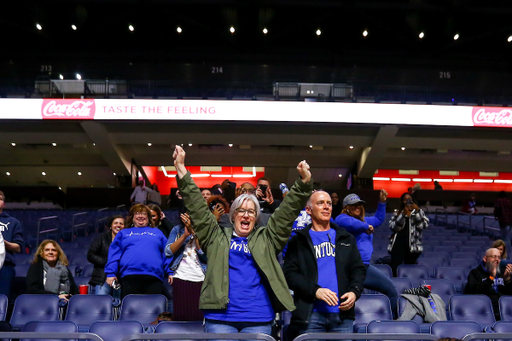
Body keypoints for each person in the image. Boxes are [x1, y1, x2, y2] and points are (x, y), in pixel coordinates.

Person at [173, 145, 312, 336]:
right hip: (219, 317)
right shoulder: (216, 236)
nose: (246, 215)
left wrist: (303, 184)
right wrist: (181, 169)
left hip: (259, 317)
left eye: (251, 212)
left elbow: (286, 213)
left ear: (256, 217)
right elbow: (197, 207)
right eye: (241, 211)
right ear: (233, 215)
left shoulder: (267, 238)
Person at [283, 190, 366, 336]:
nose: (326, 206)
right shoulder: (298, 241)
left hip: (342, 316)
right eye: (320, 203)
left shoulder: (346, 238)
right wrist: (315, 290)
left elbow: (358, 269)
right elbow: (290, 275)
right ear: (308, 210)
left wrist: (354, 291)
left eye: (328, 203)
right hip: (310, 316)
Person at [335, 191, 399, 317]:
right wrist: (366, 226)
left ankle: (395, 322)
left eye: (359, 205)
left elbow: (378, 219)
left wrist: (381, 202)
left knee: (391, 290)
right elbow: (350, 223)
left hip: (364, 266)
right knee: (344, 297)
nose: (357, 207)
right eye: (353, 205)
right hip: (350, 267)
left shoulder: (365, 221)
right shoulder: (341, 219)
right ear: (346, 208)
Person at [105, 203, 171, 298]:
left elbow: (167, 253)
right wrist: (111, 273)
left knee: (153, 309)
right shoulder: (123, 233)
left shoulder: (157, 233)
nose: (140, 216)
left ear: (148, 218)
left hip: (154, 277)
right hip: (129, 277)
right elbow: (114, 254)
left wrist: (170, 272)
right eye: (137, 213)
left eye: (144, 213)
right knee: (130, 309)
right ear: (132, 217)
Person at [165, 212, 207, 321]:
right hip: (181, 276)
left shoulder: (205, 230)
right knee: (181, 315)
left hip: (201, 277)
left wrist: (195, 233)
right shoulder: (177, 230)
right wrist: (185, 235)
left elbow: (204, 255)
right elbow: (168, 251)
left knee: (199, 316)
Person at [464, 248, 512, 320]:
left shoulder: (503, 272)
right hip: (483, 310)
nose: (497, 259)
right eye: (494, 256)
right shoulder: (475, 273)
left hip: (504, 310)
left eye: (499, 257)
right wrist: (491, 278)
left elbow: (509, 294)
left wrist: (507, 279)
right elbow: (472, 293)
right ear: (485, 259)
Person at [387, 193, 429, 277]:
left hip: (413, 246)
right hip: (398, 245)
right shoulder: (397, 212)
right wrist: (403, 214)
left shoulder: (419, 212)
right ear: (402, 201)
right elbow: (393, 227)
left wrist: (416, 212)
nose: (407, 201)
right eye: (405, 199)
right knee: (395, 268)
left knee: (410, 270)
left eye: (409, 199)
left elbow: (422, 226)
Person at [87, 215, 125, 296]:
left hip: (121, 278)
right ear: (111, 226)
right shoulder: (102, 238)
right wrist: (109, 263)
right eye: (115, 223)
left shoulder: (127, 240)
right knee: (101, 304)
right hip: (102, 278)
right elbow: (90, 255)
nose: (118, 225)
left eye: (121, 223)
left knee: (118, 304)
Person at [0, 190, 23, 300]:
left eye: (0, 199)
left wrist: (3, 242)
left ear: (3, 203)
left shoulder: (12, 222)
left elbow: (18, 247)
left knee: (3, 299)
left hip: (5, 266)